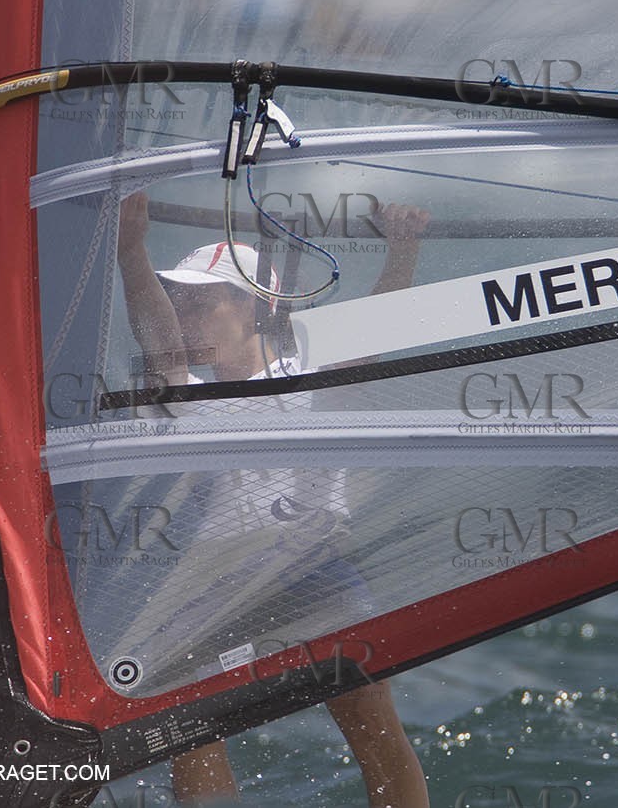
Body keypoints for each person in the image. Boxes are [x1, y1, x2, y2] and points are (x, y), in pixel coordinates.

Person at [116, 192, 431, 808]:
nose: (183, 311)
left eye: (200, 300)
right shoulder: (182, 393)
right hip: (211, 583)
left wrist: (403, 251)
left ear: (254, 307)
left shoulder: (312, 379)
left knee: (376, 731)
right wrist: (131, 251)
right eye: (177, 298)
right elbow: (163, 347)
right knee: (192, 736)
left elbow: (376, 330)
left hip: (311, 567)